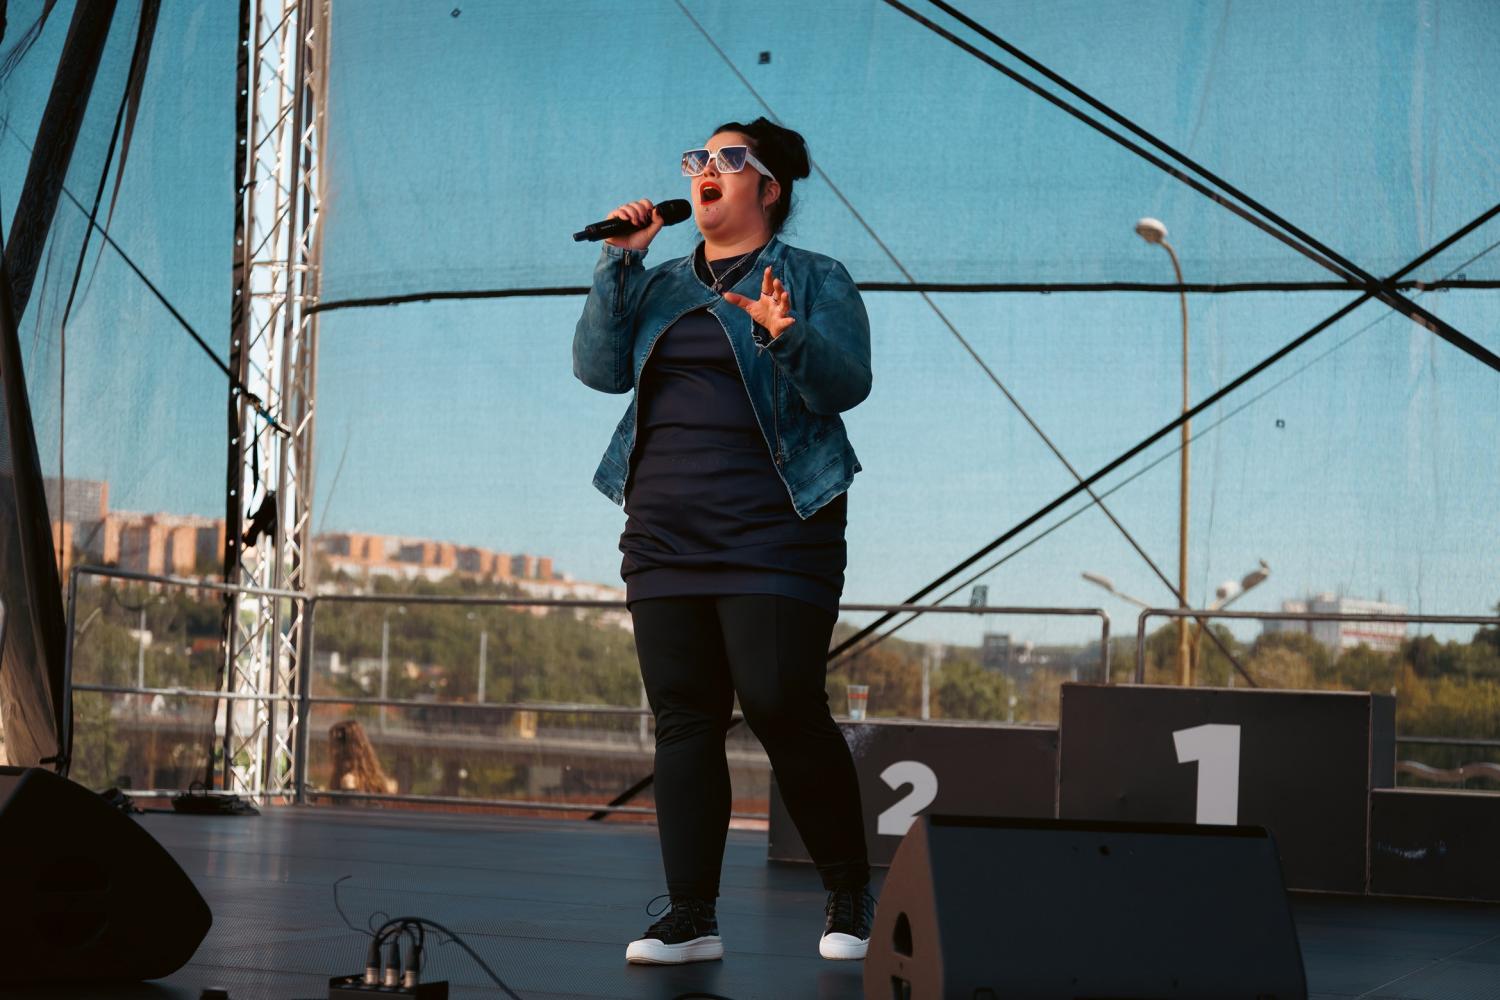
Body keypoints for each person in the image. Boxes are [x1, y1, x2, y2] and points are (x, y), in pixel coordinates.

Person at [572, 117, 875, 965]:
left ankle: (849, 893)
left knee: (779, 701)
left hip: (778, 525)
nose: (707, 169)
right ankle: (690, 917)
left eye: (729, 159)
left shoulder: (814, 278)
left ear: (768, 189)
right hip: (665, 528)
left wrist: (788, 335)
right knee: (684, 716)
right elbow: (599, 369)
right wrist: (619, 262)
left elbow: (847, 384)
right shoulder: (658, 283)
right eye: (699, 159)